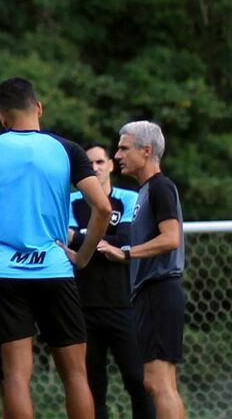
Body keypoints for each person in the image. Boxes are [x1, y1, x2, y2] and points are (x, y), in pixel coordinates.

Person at [0, 77, 111, 419]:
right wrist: (82, 256)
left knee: (17, 376)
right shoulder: (66, 149)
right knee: (76, 374)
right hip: (54, 268)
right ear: (39, 107)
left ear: (2, 117)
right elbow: (103, 209)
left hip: (6, 272)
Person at [65, 142, 153, 419]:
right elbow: (60, 241)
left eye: (100, 162)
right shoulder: (70, 202)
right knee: (92, 387)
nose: (95, 168)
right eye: (89, 164)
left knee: (138, 381)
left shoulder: (127, 198)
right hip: (82, 306)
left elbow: (126, 241)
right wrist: (104, 245)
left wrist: (81, 240)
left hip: (123, 304)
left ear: (111, 165)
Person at [107, 121, 185, 419]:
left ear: (147, 150)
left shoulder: (160, 187)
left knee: (157, 383)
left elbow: (171, 238)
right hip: (151, 294)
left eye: (124, 148)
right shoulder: (145, 191)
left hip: (159, 289)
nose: (118, 155)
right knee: (163, 383)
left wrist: (126, 253)